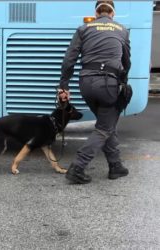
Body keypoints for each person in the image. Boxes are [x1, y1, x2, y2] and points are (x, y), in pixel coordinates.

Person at [58, 0, 131, 184]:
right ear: (112, 14)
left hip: (86, 84)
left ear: (96, 13)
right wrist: (123, 82)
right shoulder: (122, 30)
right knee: (105, 127)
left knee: (106, 124)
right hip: (108, 85)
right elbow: (127, 61)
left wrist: (64, 86)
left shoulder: (84, 29)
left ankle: (116, 166)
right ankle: (78, 167)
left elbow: (69, 59)